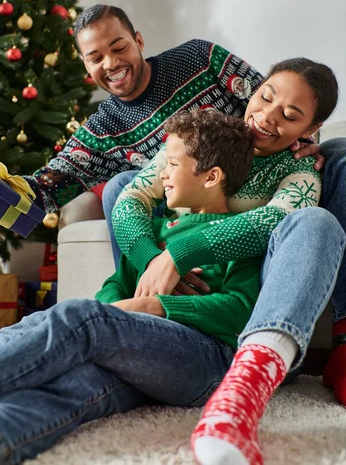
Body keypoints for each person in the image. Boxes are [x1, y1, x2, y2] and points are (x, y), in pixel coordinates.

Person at [0, 111, 266, 465]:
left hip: (206, 363)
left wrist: (154, 308)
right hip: (142, 357)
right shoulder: (155, 234)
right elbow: (114, 288)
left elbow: (239, 312)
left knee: (79, 317)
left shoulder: (238, 237)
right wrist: (119, 313)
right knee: (82, 380)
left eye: (172, 163)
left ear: (212, 177)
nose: (162, 173)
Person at [108, 58, 344, 465]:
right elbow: (131, 198)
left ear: (309, 131)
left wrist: (181, 253)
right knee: (118, 186)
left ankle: (255, 370)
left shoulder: (302, 165)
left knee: (316, 220)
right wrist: (154, 260)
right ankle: (142, 319)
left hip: (242, 298)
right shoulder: (208, 137)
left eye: (289, 116)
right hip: (179, 286)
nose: (266, 118)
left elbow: (276, 218)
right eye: (265, 97)